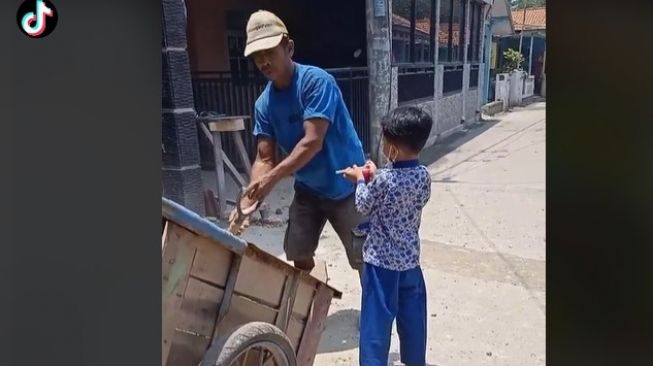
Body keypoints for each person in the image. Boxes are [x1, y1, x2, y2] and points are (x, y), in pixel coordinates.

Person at [229, 10, 367, 275]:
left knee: (365, 258)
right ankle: (309, 304)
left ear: (288, 47)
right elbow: (264, 158)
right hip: (309, 189)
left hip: (347, 184)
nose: (264, 61)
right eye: (257, 57)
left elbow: (312, 142)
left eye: (270, 51)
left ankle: (375, 316)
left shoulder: (316, 82)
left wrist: (271, 180)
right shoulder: (264, 104)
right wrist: (250, 198)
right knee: (298, 251)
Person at [343, 106, 433, 366]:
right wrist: (375, 173)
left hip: (381, 265)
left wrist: (360, 179)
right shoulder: (424, 176)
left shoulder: (383, 180)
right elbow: (416, 198)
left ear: (392, 146)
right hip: (410, 263)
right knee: (414, 320)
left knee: (376, 325)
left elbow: (363, 206)